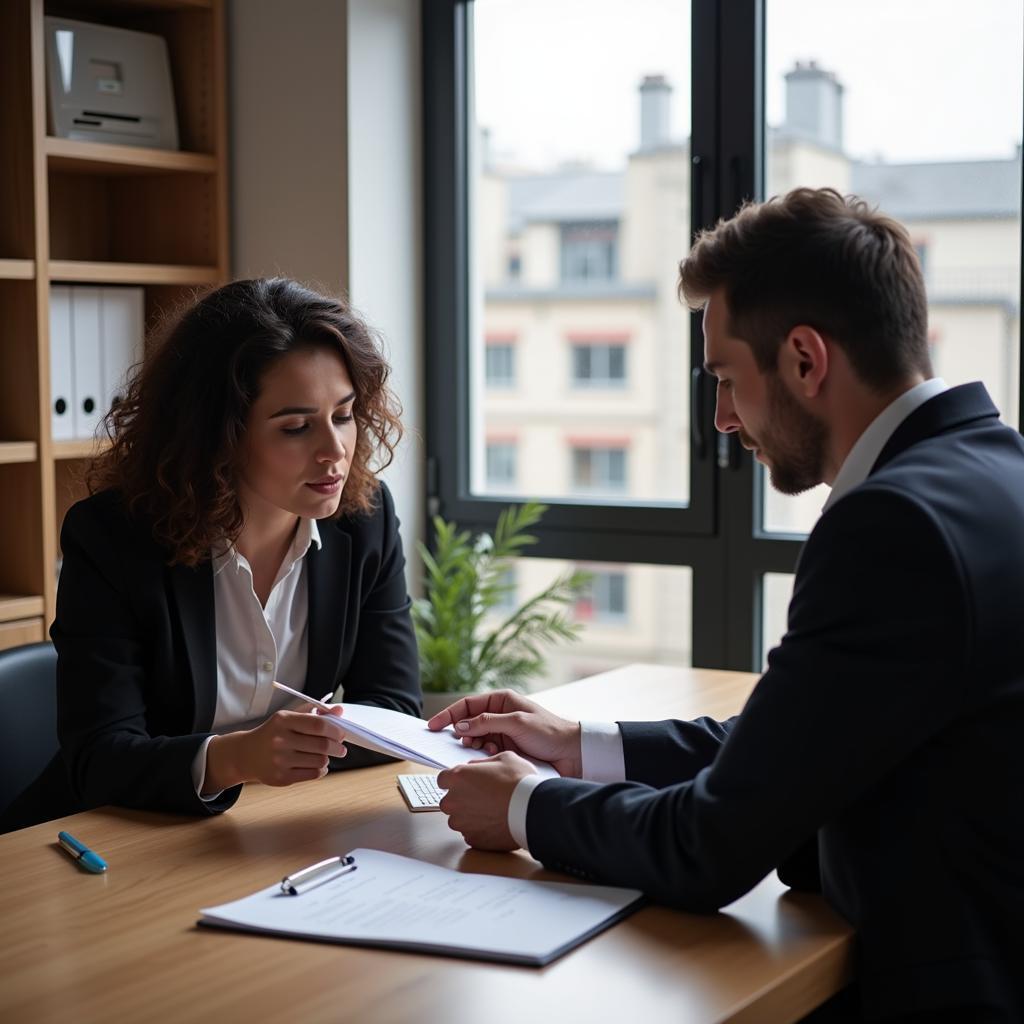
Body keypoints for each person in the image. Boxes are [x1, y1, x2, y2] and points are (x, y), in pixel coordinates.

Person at [428, 189, 1024, 1023]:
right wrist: (581, 745)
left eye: (726, 379)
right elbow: (804, 741)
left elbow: (709, 847)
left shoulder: (892, 524)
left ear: (806, 360)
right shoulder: (994, 471)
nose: (720, 418)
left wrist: (524, 806)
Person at [41, 277, 420, 821]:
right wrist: (234, 758)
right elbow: (99, 760)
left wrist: (294, 754)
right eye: (296, 428)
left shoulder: (364, 520)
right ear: (219, 435)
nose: (335, 451)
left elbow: (393, 710)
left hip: (265, 827)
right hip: (112, 835)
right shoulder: (112, 539)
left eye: (343, 415)